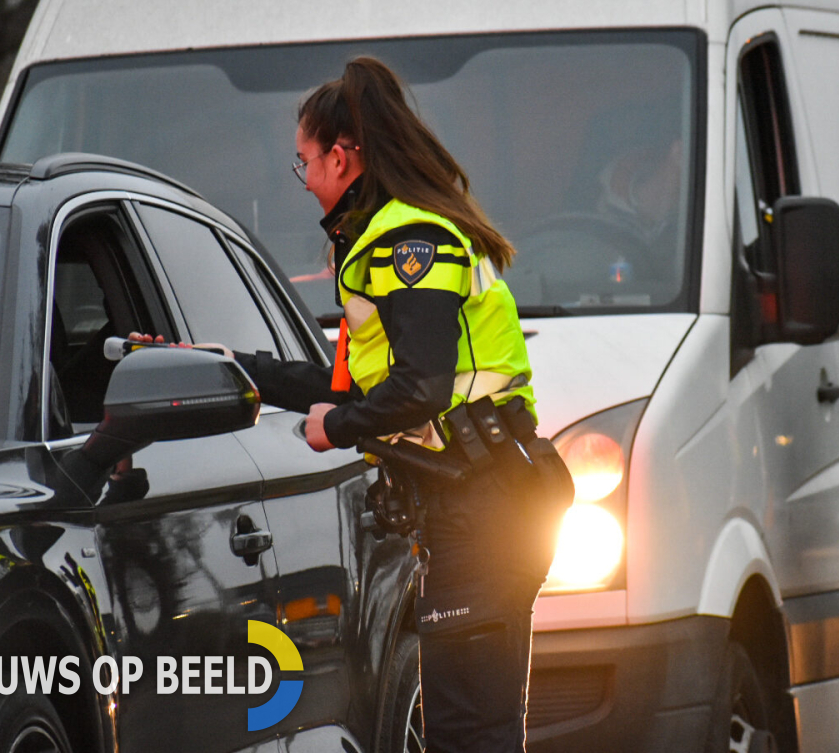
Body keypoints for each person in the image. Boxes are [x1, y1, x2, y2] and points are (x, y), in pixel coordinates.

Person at [143, 57, 570, 753]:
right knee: (474, 734)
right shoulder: (384, 240)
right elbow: (347, 388)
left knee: (469, 736)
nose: (306, 180)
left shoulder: (408, 242)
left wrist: (335, 429)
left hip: (485, 509)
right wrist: (227, 365)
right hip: (481, 504)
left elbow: (421, 388)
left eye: (305, 163)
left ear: (341, 158)